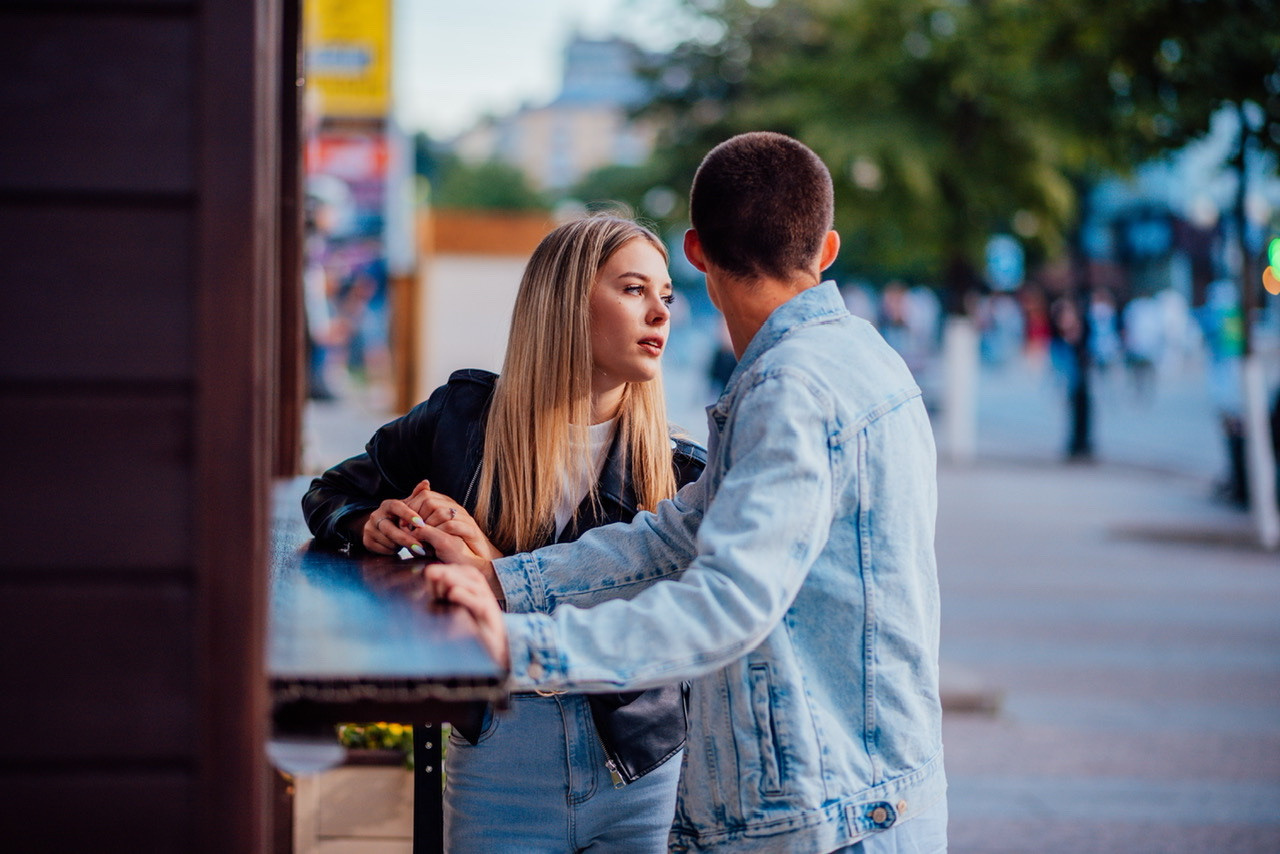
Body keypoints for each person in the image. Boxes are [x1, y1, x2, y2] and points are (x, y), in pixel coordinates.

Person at [420, 132, 947, 853]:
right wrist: (502, 581)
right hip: (867, 802)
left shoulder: (788, 388)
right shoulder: (864, 361)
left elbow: (724, 604)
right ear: (827, 250)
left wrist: (514, 645)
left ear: (695, 254)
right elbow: (675, 538)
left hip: (825, 822)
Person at [302, 215, 707, 852]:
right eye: (633, 290)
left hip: (645, 771)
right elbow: (329, 492)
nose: (660, 312)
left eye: (666, 296)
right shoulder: (461, 420)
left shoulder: (684, 471)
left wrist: (496, 568)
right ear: (566, 301)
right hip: (499, 756)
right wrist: (367, 524)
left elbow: (674, 621)